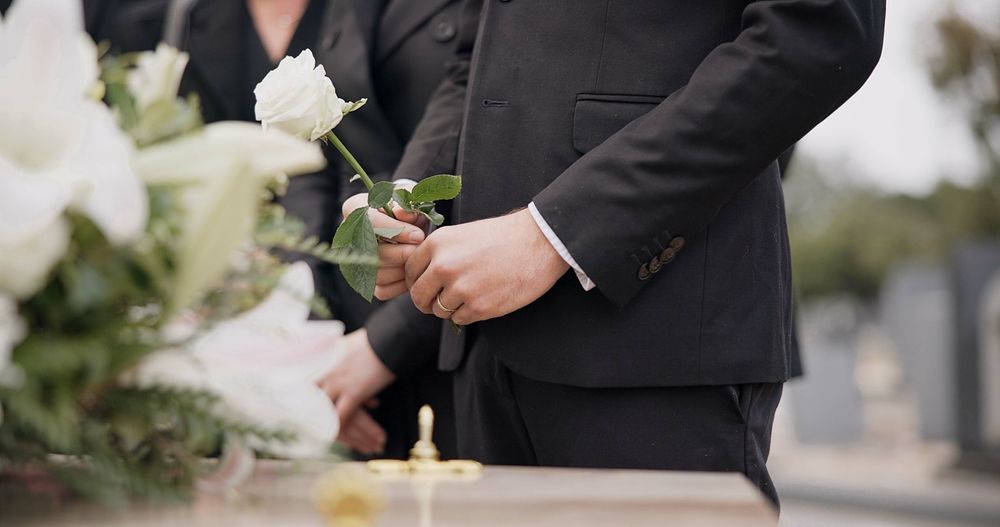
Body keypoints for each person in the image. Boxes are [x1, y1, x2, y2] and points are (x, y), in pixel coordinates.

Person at [348, 0, 885, 507]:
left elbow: (816, 30)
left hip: (651, 338)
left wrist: (555, 234)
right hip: (483, 353)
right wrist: (406, 196)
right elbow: (472, 57)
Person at [112, 0, 462, 460]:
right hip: (312, 329)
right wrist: (310, 354)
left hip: (442, 315)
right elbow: (313, 171)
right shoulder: (179, 21)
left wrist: (382, 347)